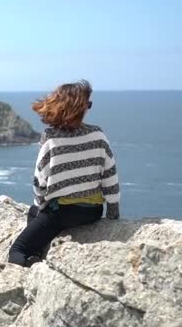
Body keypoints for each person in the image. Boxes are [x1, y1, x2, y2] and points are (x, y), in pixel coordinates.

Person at [8, 80, 120, 267]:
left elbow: (39, 181)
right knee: (36, 214)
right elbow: (110, 176)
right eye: (88, 104)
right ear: (78, 108)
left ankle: (33, 263)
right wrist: (113, 214)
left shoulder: (51, 138)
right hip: (92, 212)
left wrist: (42, 205)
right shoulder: (98, 135)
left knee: (17, 250)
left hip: (61, 214)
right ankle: (37, 252)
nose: (89, 109)